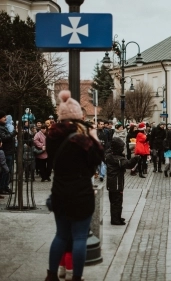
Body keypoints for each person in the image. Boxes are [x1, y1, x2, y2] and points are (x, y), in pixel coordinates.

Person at [45, 90, 104, 281]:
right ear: (78, 115)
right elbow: (97, 158)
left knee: (61, 235)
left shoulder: (52, 135)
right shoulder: (82, 139)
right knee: (79, 237)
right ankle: (76, 277)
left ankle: (52, 275)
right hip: (80, 190)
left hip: (59, 189)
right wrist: (94, 137)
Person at [105, 137, 140, 225]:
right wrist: (135, 158)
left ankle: (117, 217)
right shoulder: (117, 158)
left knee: (114, 201)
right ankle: (115, 220)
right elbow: (128, 164)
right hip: (116, 183)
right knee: (117, 201)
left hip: (112, 182)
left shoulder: (110, 155)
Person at [0, 110, 16, 194]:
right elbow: (4, 138)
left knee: (8, 170)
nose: (5, 118)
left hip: (9, 151)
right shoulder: (1, 127)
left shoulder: (4, 126)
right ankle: (2, 187)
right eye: (3, 117)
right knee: (5, 170)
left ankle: (5, 186)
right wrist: (13, 133)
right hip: (5, 151)